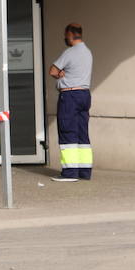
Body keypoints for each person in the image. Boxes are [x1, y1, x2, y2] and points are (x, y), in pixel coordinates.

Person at [49, 22, 93, 182]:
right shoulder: (88, 52)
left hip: (70, 96)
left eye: (65, 35)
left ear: (70, 35)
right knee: (82, 133)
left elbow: (52, 70)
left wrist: (60, 74)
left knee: (68, 131)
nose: (64, 38)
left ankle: (69, 173)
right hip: (85, 94)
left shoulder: (70, 52)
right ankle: (84, 171)